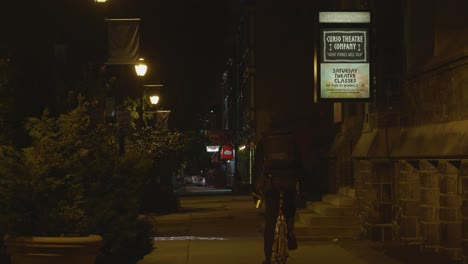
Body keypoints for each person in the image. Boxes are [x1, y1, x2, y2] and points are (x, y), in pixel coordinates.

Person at [253, 130, 301, 264]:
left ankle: (268, 258)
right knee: (290, 209)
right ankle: (290, 232)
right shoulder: (291, 139)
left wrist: (255, 190)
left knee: (270, 222)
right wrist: (300, 183)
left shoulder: (264, 140)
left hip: (271, 184)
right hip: (289, 181)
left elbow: (257, 166)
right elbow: (299, 163)